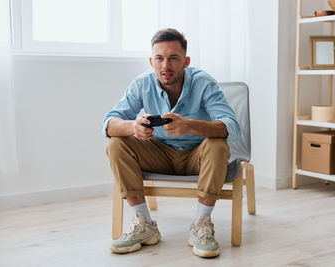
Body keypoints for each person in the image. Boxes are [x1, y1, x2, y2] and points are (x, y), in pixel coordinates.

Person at [102, 28, 240, 258]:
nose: (166, 65)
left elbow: (232, 127)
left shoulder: (204, 83)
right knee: (116, 144)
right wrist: (132, 127)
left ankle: (201, 225)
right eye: (159, 58)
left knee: (218, 145)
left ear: (186, 61)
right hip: (158, 153)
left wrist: (190, 125)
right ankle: (144, 224)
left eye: (173, 58)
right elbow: (108, 123)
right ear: (151, 61)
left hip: (197, 155)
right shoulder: (142, 83)